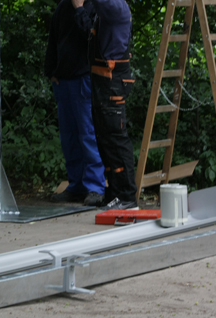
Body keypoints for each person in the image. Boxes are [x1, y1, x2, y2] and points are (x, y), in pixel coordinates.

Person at [44, 0, 107, 207]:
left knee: (88, 134)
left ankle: (95, 187)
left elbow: (93, 39)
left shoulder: (95, 7)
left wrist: (79, 9)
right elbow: (53, 41)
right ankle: (76, 185)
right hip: (63, 81)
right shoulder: (62, 8)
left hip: (85, 79)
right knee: (69, 137)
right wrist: (50, 71)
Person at [78, 0, 138, 210]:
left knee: (116, 139)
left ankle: (127, 196)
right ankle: (114, 193)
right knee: (105, 140)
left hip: (112, 82)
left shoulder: (116, 6)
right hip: (103, 81)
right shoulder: (107, 8)